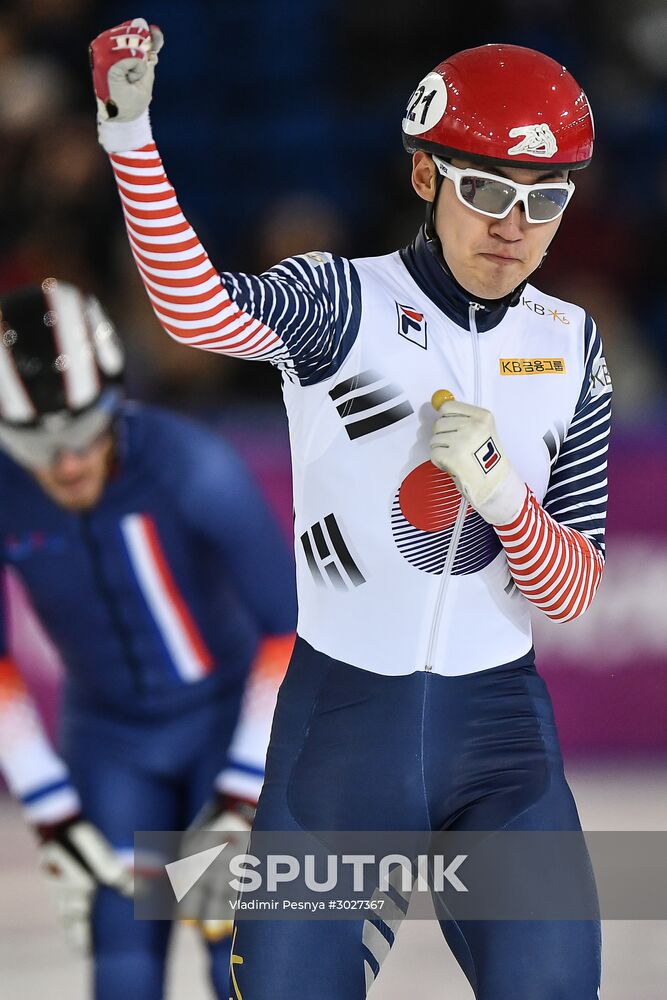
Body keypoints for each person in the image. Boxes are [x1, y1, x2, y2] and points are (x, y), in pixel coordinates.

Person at [88, 20, 611, 999]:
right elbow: (191, 309)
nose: (513, 226)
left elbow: (573, 590)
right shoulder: (339, 303)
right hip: (339, 741)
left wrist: (501, 491)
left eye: (545, 200)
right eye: (486, 191)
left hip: (499, 749)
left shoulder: (571, 343)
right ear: (424, 176)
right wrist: (128, 135)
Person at [0, 278, 296, 1000]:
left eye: (82, 431)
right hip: (109, 743)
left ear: (115, 397)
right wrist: (50, 808)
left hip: (223, 720)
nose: (66, 463)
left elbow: (291, 631)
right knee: (122, 961)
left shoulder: (192, 467)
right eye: (35, 441)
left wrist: (242, 790)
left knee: (237, 955)